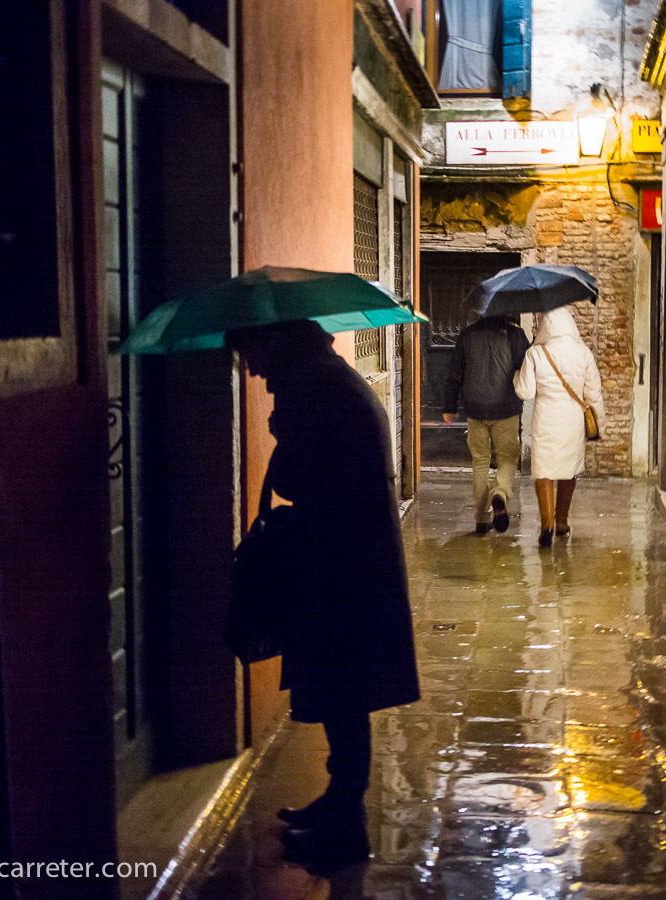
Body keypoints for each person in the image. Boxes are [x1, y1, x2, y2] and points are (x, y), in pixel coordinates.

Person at [231, 321, 419, 873]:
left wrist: (281, 430)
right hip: (349, 561)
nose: (250, 368)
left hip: (341, 566)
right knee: (345, 691)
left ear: (271, 340)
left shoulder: (313, 389)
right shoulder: (327, 377)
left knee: (343, 691)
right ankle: (340, 804)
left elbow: (296, 479)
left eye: (249, 352)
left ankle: (345, 826)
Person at [513, 306, 605, 548]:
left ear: (546, 326)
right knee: (568, 470)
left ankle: (547, 525)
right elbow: (593, 393)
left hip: (546, 420)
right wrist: (600, 425)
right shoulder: (583, 353)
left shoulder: (535, 353)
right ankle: (562, 522)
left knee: (543, 471)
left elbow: (525, 391)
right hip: (572, 421)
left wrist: (516, 376)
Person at [442, 314, 530, 534]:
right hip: (506, 408)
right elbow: (527, 369)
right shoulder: (515, 334)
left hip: (475, 409)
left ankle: (482, 518)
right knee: (508, 457)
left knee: (480, 461)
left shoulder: (467, 335)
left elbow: (454, 374)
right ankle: (500, 493)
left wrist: (449, 407)